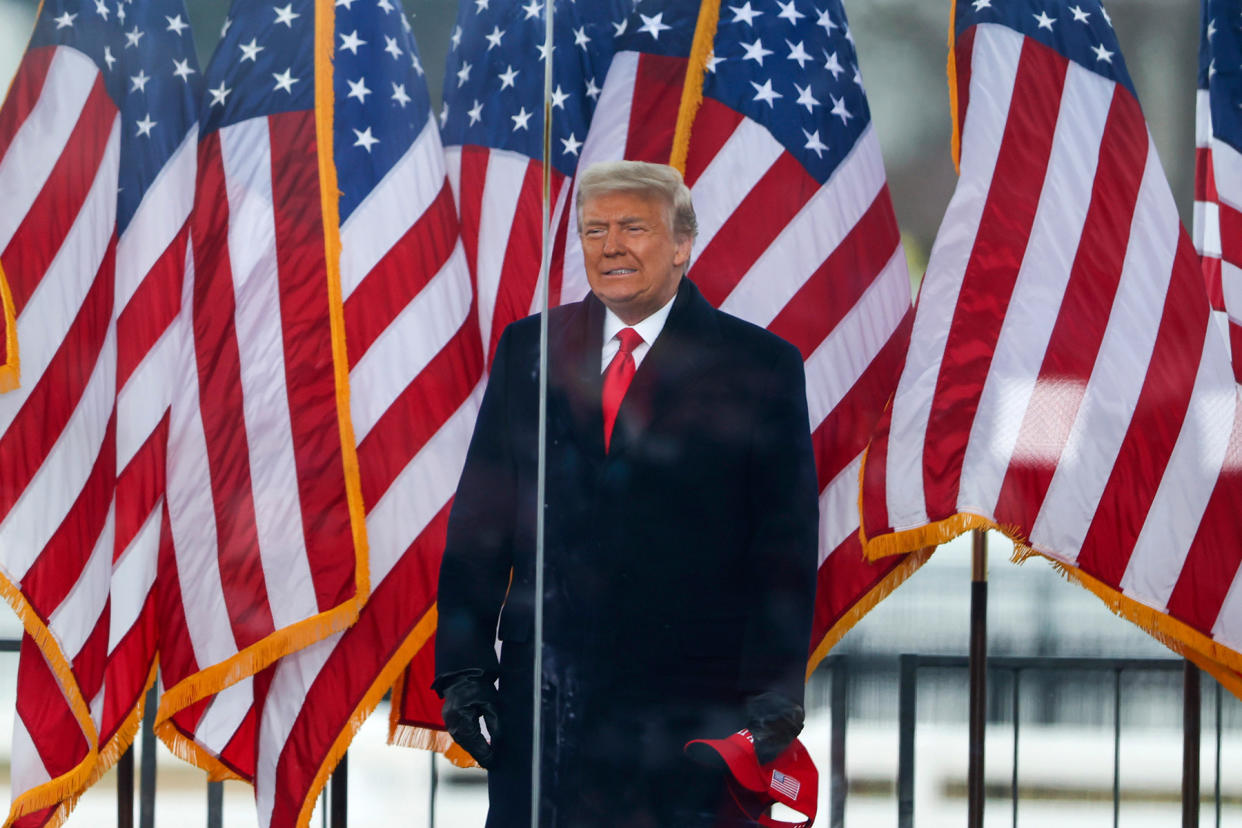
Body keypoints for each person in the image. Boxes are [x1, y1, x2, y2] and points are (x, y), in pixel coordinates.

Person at [433, 160, 820, 828]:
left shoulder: (760, 366)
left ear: (681, 243)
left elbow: (782, 547)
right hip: (544, 715)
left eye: (633, 227)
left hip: (691, 715)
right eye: (593, 230)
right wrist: (464, 672)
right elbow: (480, 526)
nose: (610, 245)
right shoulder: (530, 350)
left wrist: (774, 694)